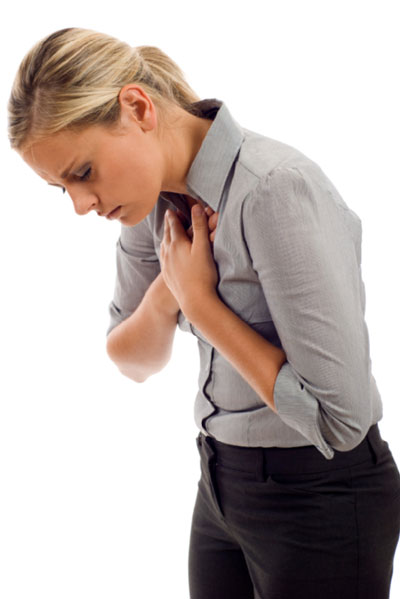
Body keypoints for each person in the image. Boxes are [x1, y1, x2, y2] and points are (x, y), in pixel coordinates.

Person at [8, 26, 400, 599]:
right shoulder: (149, 203)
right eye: (60, 188)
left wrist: (201, 306)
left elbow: (339, 423)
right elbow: (130, 358)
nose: (80, 205)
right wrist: (169, 291)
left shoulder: (272, 190)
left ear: (138, 108)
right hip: (219, 487)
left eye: (83, 172)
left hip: (322, 500)